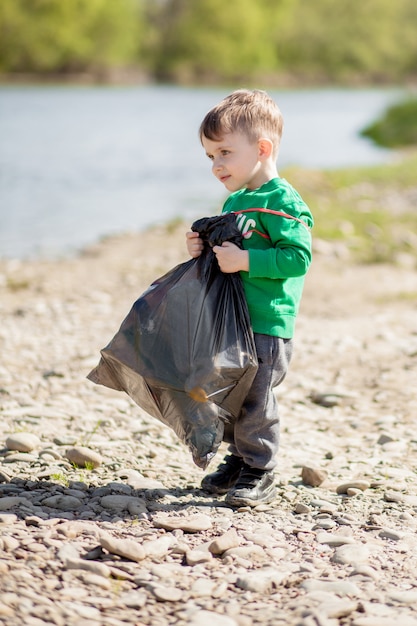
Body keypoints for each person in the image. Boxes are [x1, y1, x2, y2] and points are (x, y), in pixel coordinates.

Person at [186, 89, 313, 507]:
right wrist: (202, 248)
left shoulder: (283, 201)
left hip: (266, 322)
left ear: (262, 148)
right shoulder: (237, 200)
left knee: (257, 397)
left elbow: (296, 258)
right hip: (232, 320)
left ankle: (259, 467)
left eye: (224, 152)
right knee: (228, 393)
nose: (217, 165)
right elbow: (229, 254)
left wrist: (245, 260)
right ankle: (239, 458)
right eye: (210, 157)